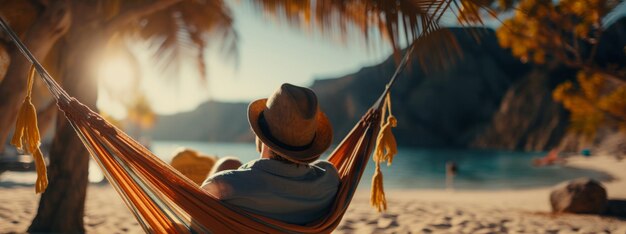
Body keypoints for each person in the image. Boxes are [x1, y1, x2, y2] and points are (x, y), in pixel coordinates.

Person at [201, 83, 340, 225]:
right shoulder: (329, 181)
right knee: (229, 163)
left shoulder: (225, 186)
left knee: (226, 164)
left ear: (260, 136)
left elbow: (194, 215)